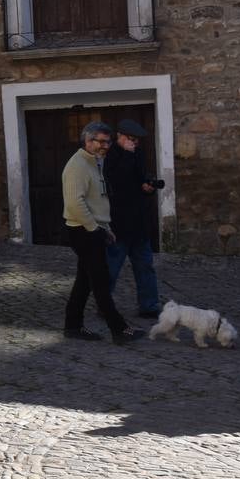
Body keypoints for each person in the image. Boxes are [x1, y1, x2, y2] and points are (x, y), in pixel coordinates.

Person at [62, 121, 141, 344]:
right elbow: (75, 203)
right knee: (100, 282)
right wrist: (94, 229)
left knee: (85, 282)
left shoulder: (94, 162)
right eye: (100, 142)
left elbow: (97, 200)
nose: (105, 146)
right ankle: (119, 330)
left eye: (107, 142)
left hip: (93, 229)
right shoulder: (78, 165)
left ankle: (73, 326)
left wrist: (105, 228)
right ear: (87, 141)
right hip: (83, 231)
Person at [104, 119, 161, 319]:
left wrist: (147, 187)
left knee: (145, 266)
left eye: (136, 140)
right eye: (131, 139)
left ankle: (149, 305)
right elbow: (116, 182)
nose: (134, 143)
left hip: (138, 222)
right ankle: (104, 305)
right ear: (119, 136)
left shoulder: (138, 154)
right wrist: (128, 155)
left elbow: (139, 179)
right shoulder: (109, 156)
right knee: (111, 268)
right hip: (118, 222)